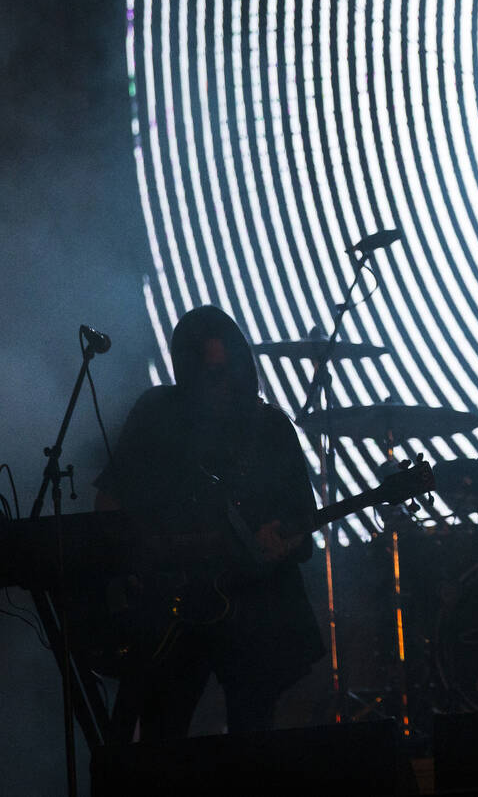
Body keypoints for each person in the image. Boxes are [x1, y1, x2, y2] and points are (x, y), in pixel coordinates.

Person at [97, 306, 324, 740]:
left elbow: (302, 528)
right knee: (159, 740)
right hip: (170, 609)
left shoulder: (271, 428)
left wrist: (281, 540)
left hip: (250, 610)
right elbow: (110, 501)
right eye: (204, 374)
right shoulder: (157, 413)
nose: (217, 386)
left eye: (224, 372)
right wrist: (128, 572)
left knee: (253, 738)